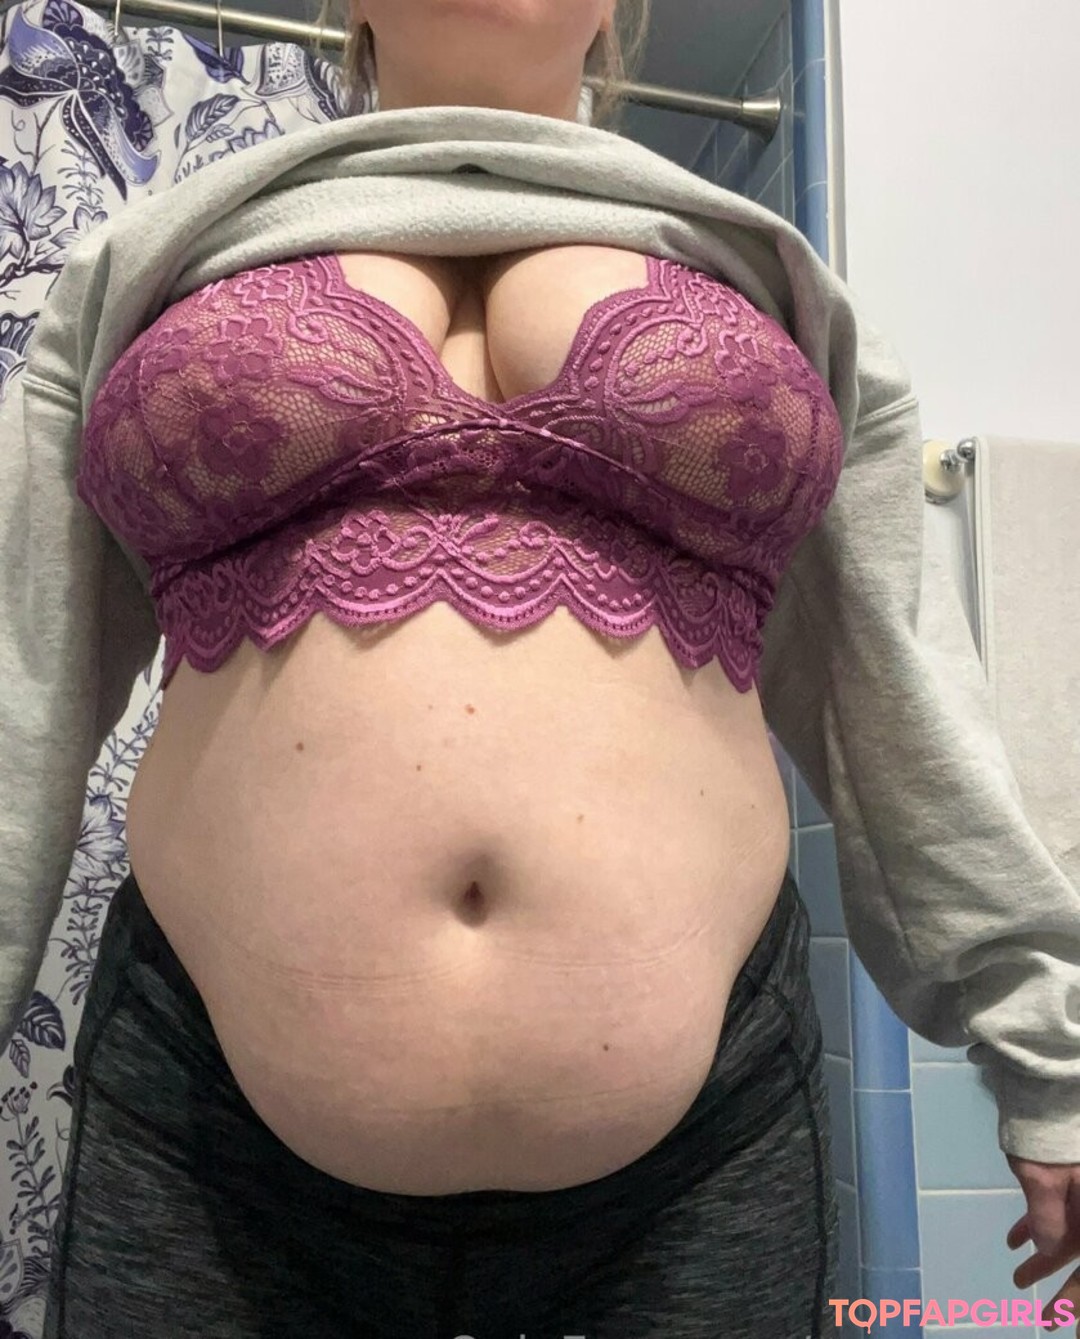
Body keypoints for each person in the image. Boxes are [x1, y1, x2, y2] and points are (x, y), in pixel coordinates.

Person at [30, 1, 1080, 1336]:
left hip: (705, 1146)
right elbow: (21, 679)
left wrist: (1050, 1052)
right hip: (206, 1132)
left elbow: (897, 692)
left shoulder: (774, 278)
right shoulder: (149, 261)